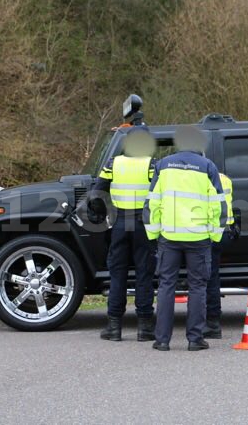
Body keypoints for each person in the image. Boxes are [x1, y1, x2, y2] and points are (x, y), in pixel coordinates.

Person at [143, 125, 227, 351]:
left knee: (166, 285)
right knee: (198, 287)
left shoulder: (163, 165)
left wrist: (154, 234)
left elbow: (152, 203)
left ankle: (162, 340)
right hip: (199, 238)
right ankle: (195, 339)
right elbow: (218, 206)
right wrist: (214, 236)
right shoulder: (208, 166)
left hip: (169, 237)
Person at [90, 126, 157, 342]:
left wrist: (101, 216)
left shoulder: (114, 163)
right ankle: (145, 328)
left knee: (117, 275)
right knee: (144, 274)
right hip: (143, 224)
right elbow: (159, 192)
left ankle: (114, 327)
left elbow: (97, 192)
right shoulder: (150, 164)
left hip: (120, 223)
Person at [203, 172, 237, 339]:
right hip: (224, 231)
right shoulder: (225, 178)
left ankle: (211, 323)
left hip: (208, 233)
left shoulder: (201, 178)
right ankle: (211, 322)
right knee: (211, 276)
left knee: (206, 278)